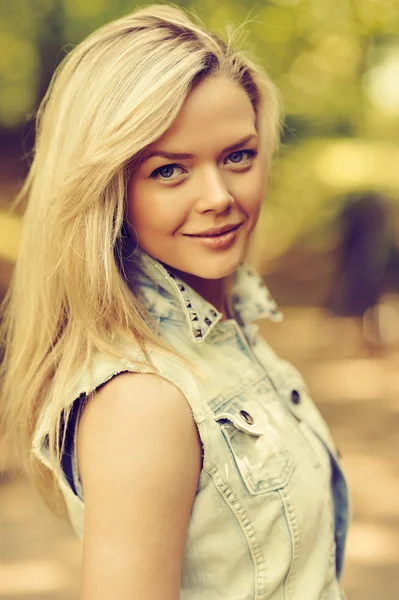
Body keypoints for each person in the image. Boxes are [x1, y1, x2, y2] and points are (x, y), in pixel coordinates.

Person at [0, 5, 350, 599]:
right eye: (169, 170)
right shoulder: (143, 402)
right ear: (107, 189)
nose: (218, 196)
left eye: (237, 156)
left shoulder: (226, 336)